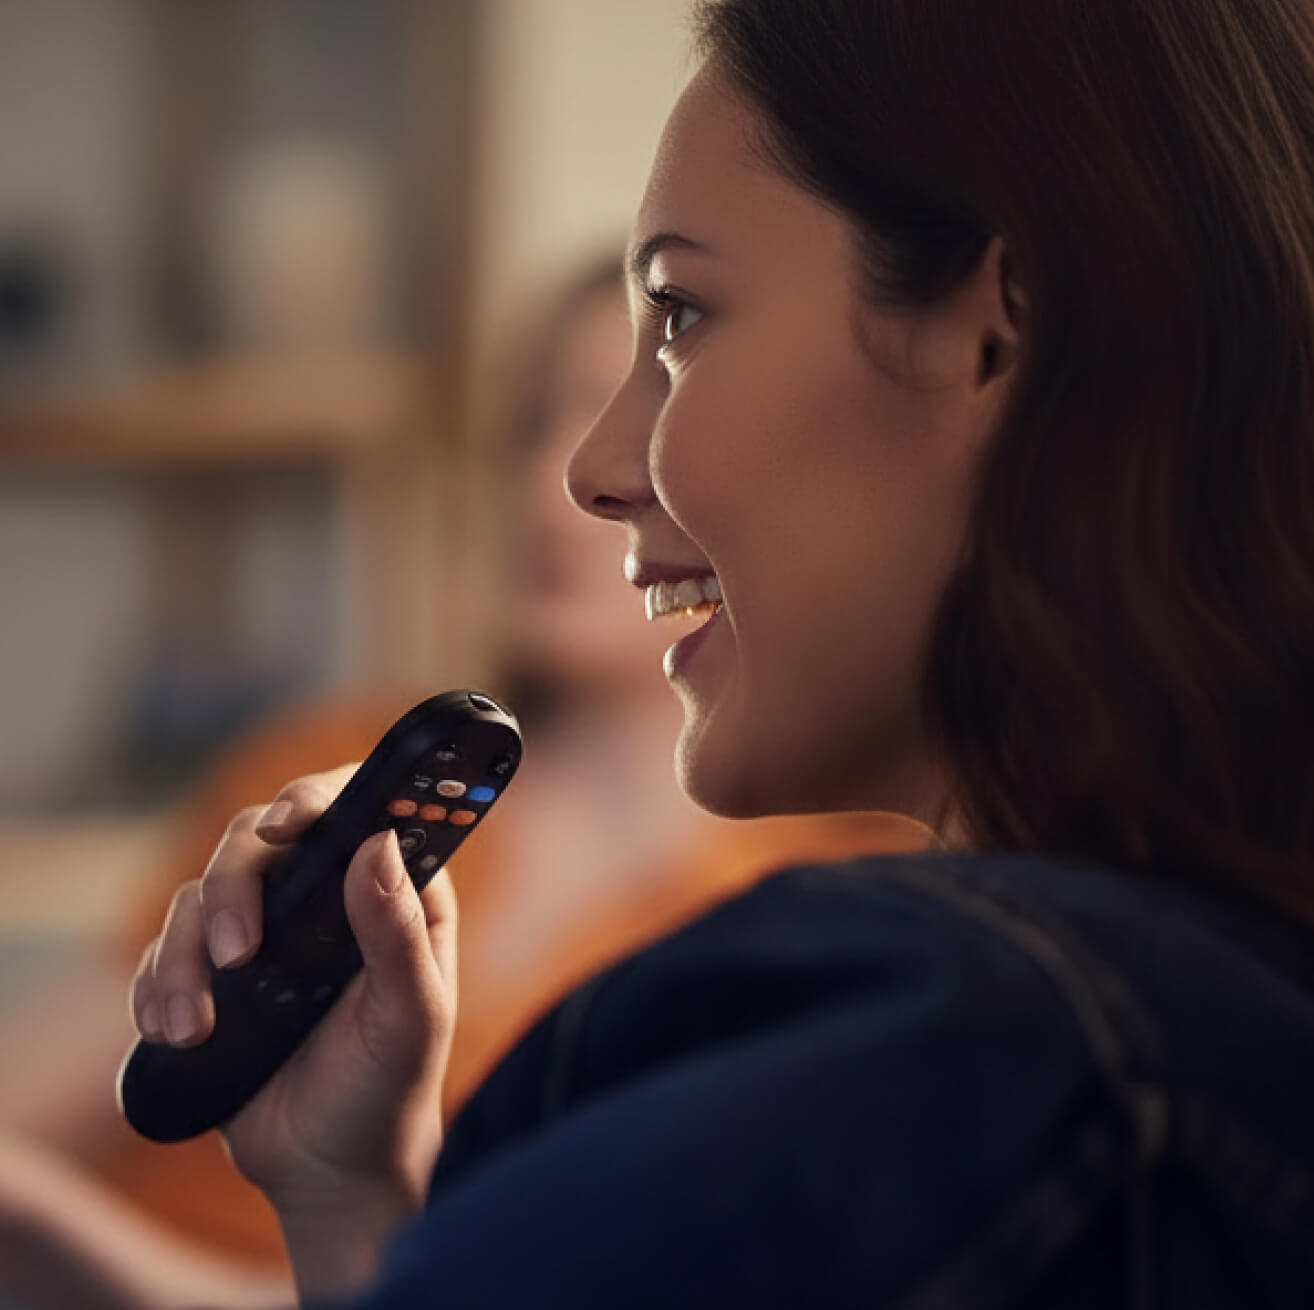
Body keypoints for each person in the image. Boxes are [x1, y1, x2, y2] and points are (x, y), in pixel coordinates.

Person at [128, 0, 1314, 1304]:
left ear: (996, 336)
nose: (585, 470)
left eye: (681, 317)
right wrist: (354, 1202)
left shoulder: (922, 1049)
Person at [0, 251, 926, 1309]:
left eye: (644, 416)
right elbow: (46, 1091)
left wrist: (86, 1248)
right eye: (531, 424)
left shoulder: (841, 893)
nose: (551, 484)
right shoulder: (340, 761)